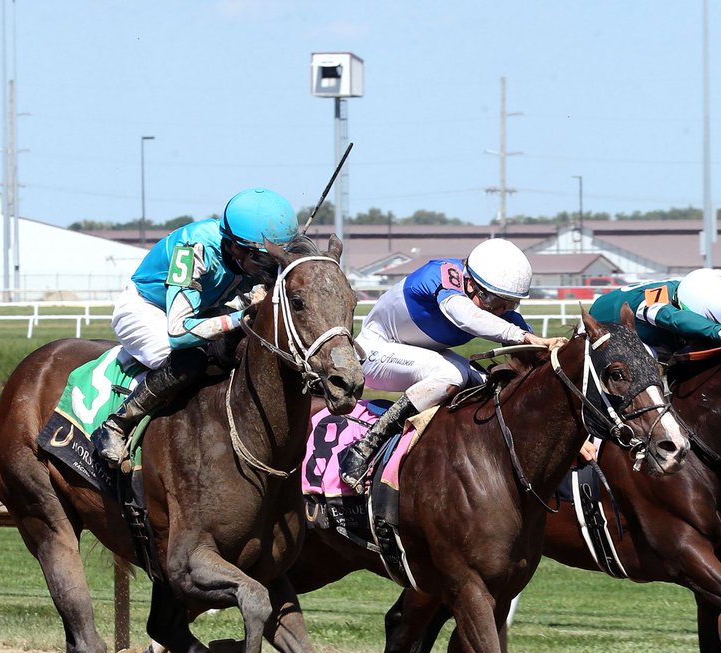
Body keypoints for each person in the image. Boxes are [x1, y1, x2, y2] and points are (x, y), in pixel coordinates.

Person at [92, 187, 298, 469]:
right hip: (147, 312)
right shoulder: (193, 250)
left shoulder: (243, 253)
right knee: (190, 359)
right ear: (236, 247)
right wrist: (242, 317)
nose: (270, 265)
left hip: (199, 310)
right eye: (263, 258)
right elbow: (178, 333)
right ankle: (116, 424)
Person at [339, 237, 561, 492]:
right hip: (374, 353)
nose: (499, 311)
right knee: (449, 374)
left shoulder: (491, 301)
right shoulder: (441, 274)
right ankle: (365, 447)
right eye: (493, 302)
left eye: (509, 304)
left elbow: (534, 358)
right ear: (470, 282)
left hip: (418, 353)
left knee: (487, 382)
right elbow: (465, 316)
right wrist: (521, 336)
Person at [587, 267, 721, 359]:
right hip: (602, 328)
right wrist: (717, 330)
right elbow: (673, 318)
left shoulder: (687, 290)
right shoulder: (652, 303)